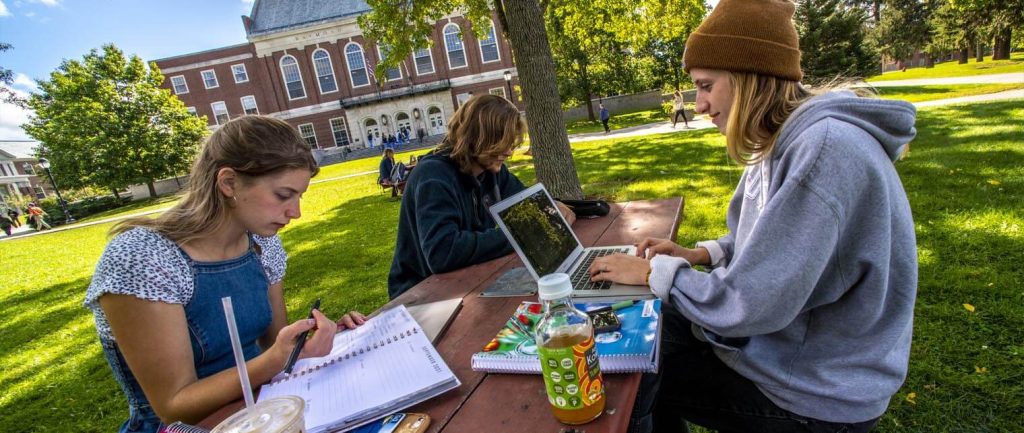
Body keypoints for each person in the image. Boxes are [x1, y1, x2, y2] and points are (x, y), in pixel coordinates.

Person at [590, 1, 918, 432]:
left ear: (748, 77)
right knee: (650, 334)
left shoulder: (824, 150)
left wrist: (653, 273)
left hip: (816, 391)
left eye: (706, 86)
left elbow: (750, 304)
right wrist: (699, 254)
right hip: (791, 352)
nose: (700, 104)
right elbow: (766, 241)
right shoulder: (783, 141)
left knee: (639, 376)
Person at [83, 116, 367, 433]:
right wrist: (277, 359)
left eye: (299, 196)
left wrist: (311, 344)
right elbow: (173, 407)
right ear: (229, 182)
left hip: (266, 412)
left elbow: (274, 342)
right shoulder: (143, 258)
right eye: (283, 195)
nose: (295, 212)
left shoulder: (263, 244)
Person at [388, 94, 576, 299]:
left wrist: (552, 207)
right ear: (478, 138)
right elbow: (443, 252)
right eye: (502, 143)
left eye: (511, 143)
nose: (509, 152)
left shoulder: (491, 170)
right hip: (420, 296)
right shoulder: (433, 177)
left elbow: (527, 206)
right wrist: (520, 234)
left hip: (465, 281)